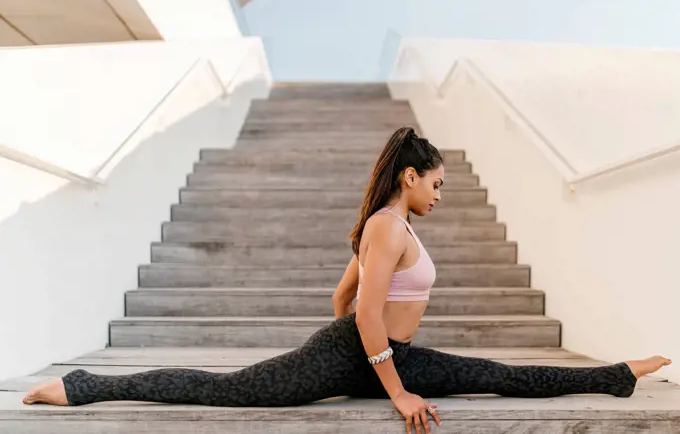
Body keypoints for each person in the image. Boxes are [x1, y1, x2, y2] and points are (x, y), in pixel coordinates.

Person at [23, 127, 671, 434]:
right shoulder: (388, 227)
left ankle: (612, 375)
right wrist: (396, 392)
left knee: (496, 373)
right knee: (230, 392)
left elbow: (344, 298)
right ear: (410, 176)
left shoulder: (386, 226)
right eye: (437, 184)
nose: (441, 195)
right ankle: (81, 386)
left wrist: (380, 356)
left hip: (376, 356)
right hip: (357, 355)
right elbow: (360, 315)